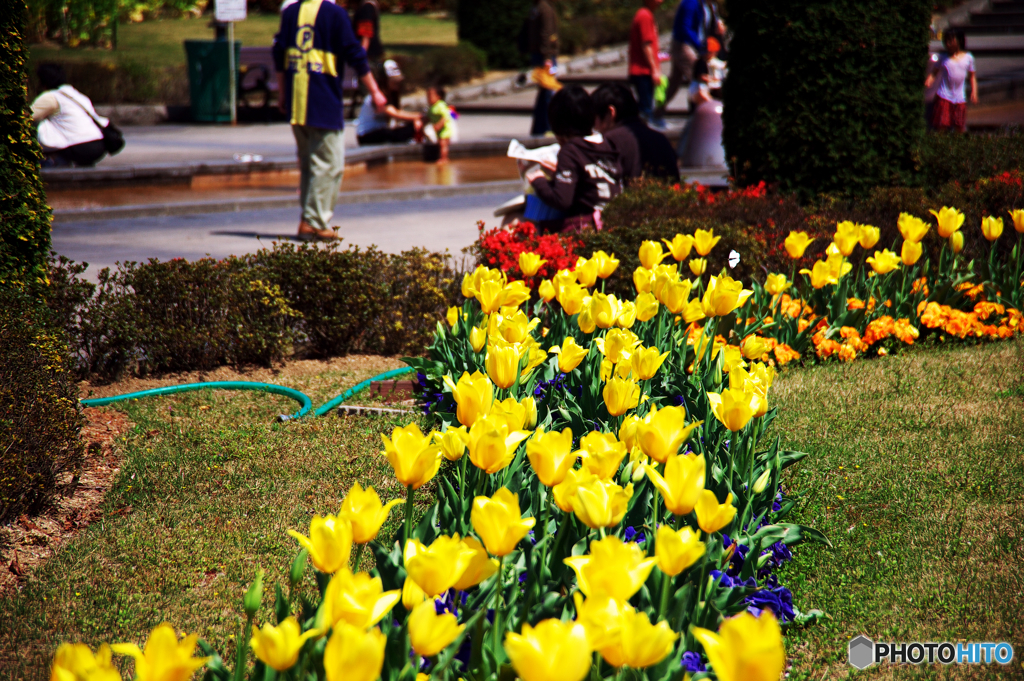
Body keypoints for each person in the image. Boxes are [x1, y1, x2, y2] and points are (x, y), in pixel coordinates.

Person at [274, 0, 388, 240]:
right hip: (322, 102)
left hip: (297, 103)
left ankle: (309, 219)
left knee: (309, 164)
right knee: (330, 165)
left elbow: (279, 54)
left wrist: (283, 94)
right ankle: (313, 222)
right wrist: (376, 92)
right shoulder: (335, 14)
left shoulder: (290, 12)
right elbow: (356, 54)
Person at [524, 85, 623, 232]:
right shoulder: (607, 145)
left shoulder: (570, 150)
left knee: (518, 221)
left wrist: (538, 180)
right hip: (613, 223)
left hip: (588, 230)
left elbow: (561, 200)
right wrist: (558, 173)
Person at [593, 82, 680, 184]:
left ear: (610, 113)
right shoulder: (662, 140)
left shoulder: (609, 142)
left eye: (594, 118)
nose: (594, 126)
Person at [31, 64, 108, 168]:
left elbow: (26, 117)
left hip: (79, 146)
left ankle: (54, 167)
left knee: (33, 132)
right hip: (98, 144)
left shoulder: (50, 97)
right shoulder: (77, 95)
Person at [356, 59, 423, 145]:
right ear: (385, 80)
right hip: (367, 135)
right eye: (393, 81)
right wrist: (420, 116)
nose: (397, 83)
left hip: (382, 131)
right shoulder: (377, 96)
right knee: (387, 133)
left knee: (409, 129)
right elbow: (395, 113)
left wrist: (416, 121)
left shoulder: (391, 95)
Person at [657, 0, 703, 121]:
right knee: (698, 79)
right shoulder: (691, 2)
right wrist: (700, 46)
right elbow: (685, 27)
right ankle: (698, 115)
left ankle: (656, 113)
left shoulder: (697, 3)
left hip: (681, 44)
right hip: (683, 45)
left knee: (674, 82)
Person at [925, 28, 977, 133]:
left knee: (959, 125)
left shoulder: (968, 58)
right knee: (942, 124)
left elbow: (972, 76)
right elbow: (934, 72)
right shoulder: (943, 58)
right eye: (946, 41)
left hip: (960, 97)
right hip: (944, 96)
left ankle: (958, 146)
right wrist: (929, 80)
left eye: (951, 40)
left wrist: (974, 92)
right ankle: (941, 145)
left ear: (960, 41)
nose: (948, 44)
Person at [628, 0, 665, 126]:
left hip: (642, 70)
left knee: (646, 107)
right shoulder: (645, 15)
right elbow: (646, 44)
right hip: (642, 70)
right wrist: (654, 69)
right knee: (646, 110)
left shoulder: (645, 14)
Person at [527, 0, 559, 136]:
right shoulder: (545, 9)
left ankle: (538, 127)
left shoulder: (536, 8)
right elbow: (546, 34)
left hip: (538, 55)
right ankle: (546, 126)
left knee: (543, 92)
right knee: (548, 93)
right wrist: (547, 57)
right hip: (545, 56)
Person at [425, 85, 455, 164]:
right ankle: (442, 157)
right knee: (440, 144)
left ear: (438, 96)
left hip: (445, 129)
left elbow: (445, 117)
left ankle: (444, 158)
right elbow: (428, 117)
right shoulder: (431, 107)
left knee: (443, 144)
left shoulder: (440, 105)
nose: (428, 98)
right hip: (438, 130)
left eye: (430, 96)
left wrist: (439, 124)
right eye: (427, 96)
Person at [353, 0, 384, 65]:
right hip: (371, 53)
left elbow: (365, 34)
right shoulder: (369, 6)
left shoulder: (366, 8)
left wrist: (361, 57)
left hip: (369, 54)